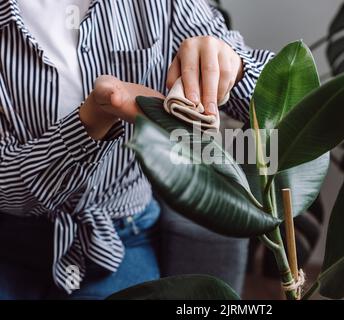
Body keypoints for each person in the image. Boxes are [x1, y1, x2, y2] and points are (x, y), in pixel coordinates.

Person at [0, 0, 273, 299]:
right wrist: (95, 117)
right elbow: (8, 187)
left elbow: (283, 95)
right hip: (11, 240)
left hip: (123, 237)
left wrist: (235, 66)